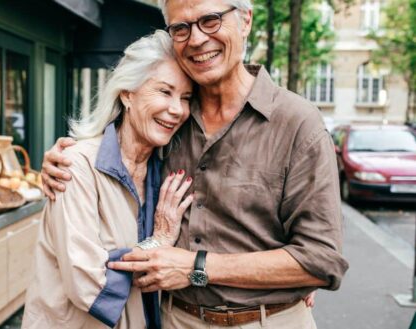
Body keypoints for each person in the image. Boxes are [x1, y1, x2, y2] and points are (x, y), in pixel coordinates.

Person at [40, 0, 348, 327]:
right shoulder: (170, 122)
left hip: (267, 320)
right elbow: (117, 154)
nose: (197, 39)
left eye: (211, 20)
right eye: (181, 28)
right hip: (173, 318)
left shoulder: (297, 123)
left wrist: (196, 266)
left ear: (245, 21)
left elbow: (321, 260)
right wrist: (63, 161)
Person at [21, 31, 194, 329]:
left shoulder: (164, 167)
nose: (177, 109)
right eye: (165, 92)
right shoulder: (75, 166)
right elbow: (88, 282)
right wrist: (160, 242)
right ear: (127, 93)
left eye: (186, 98)